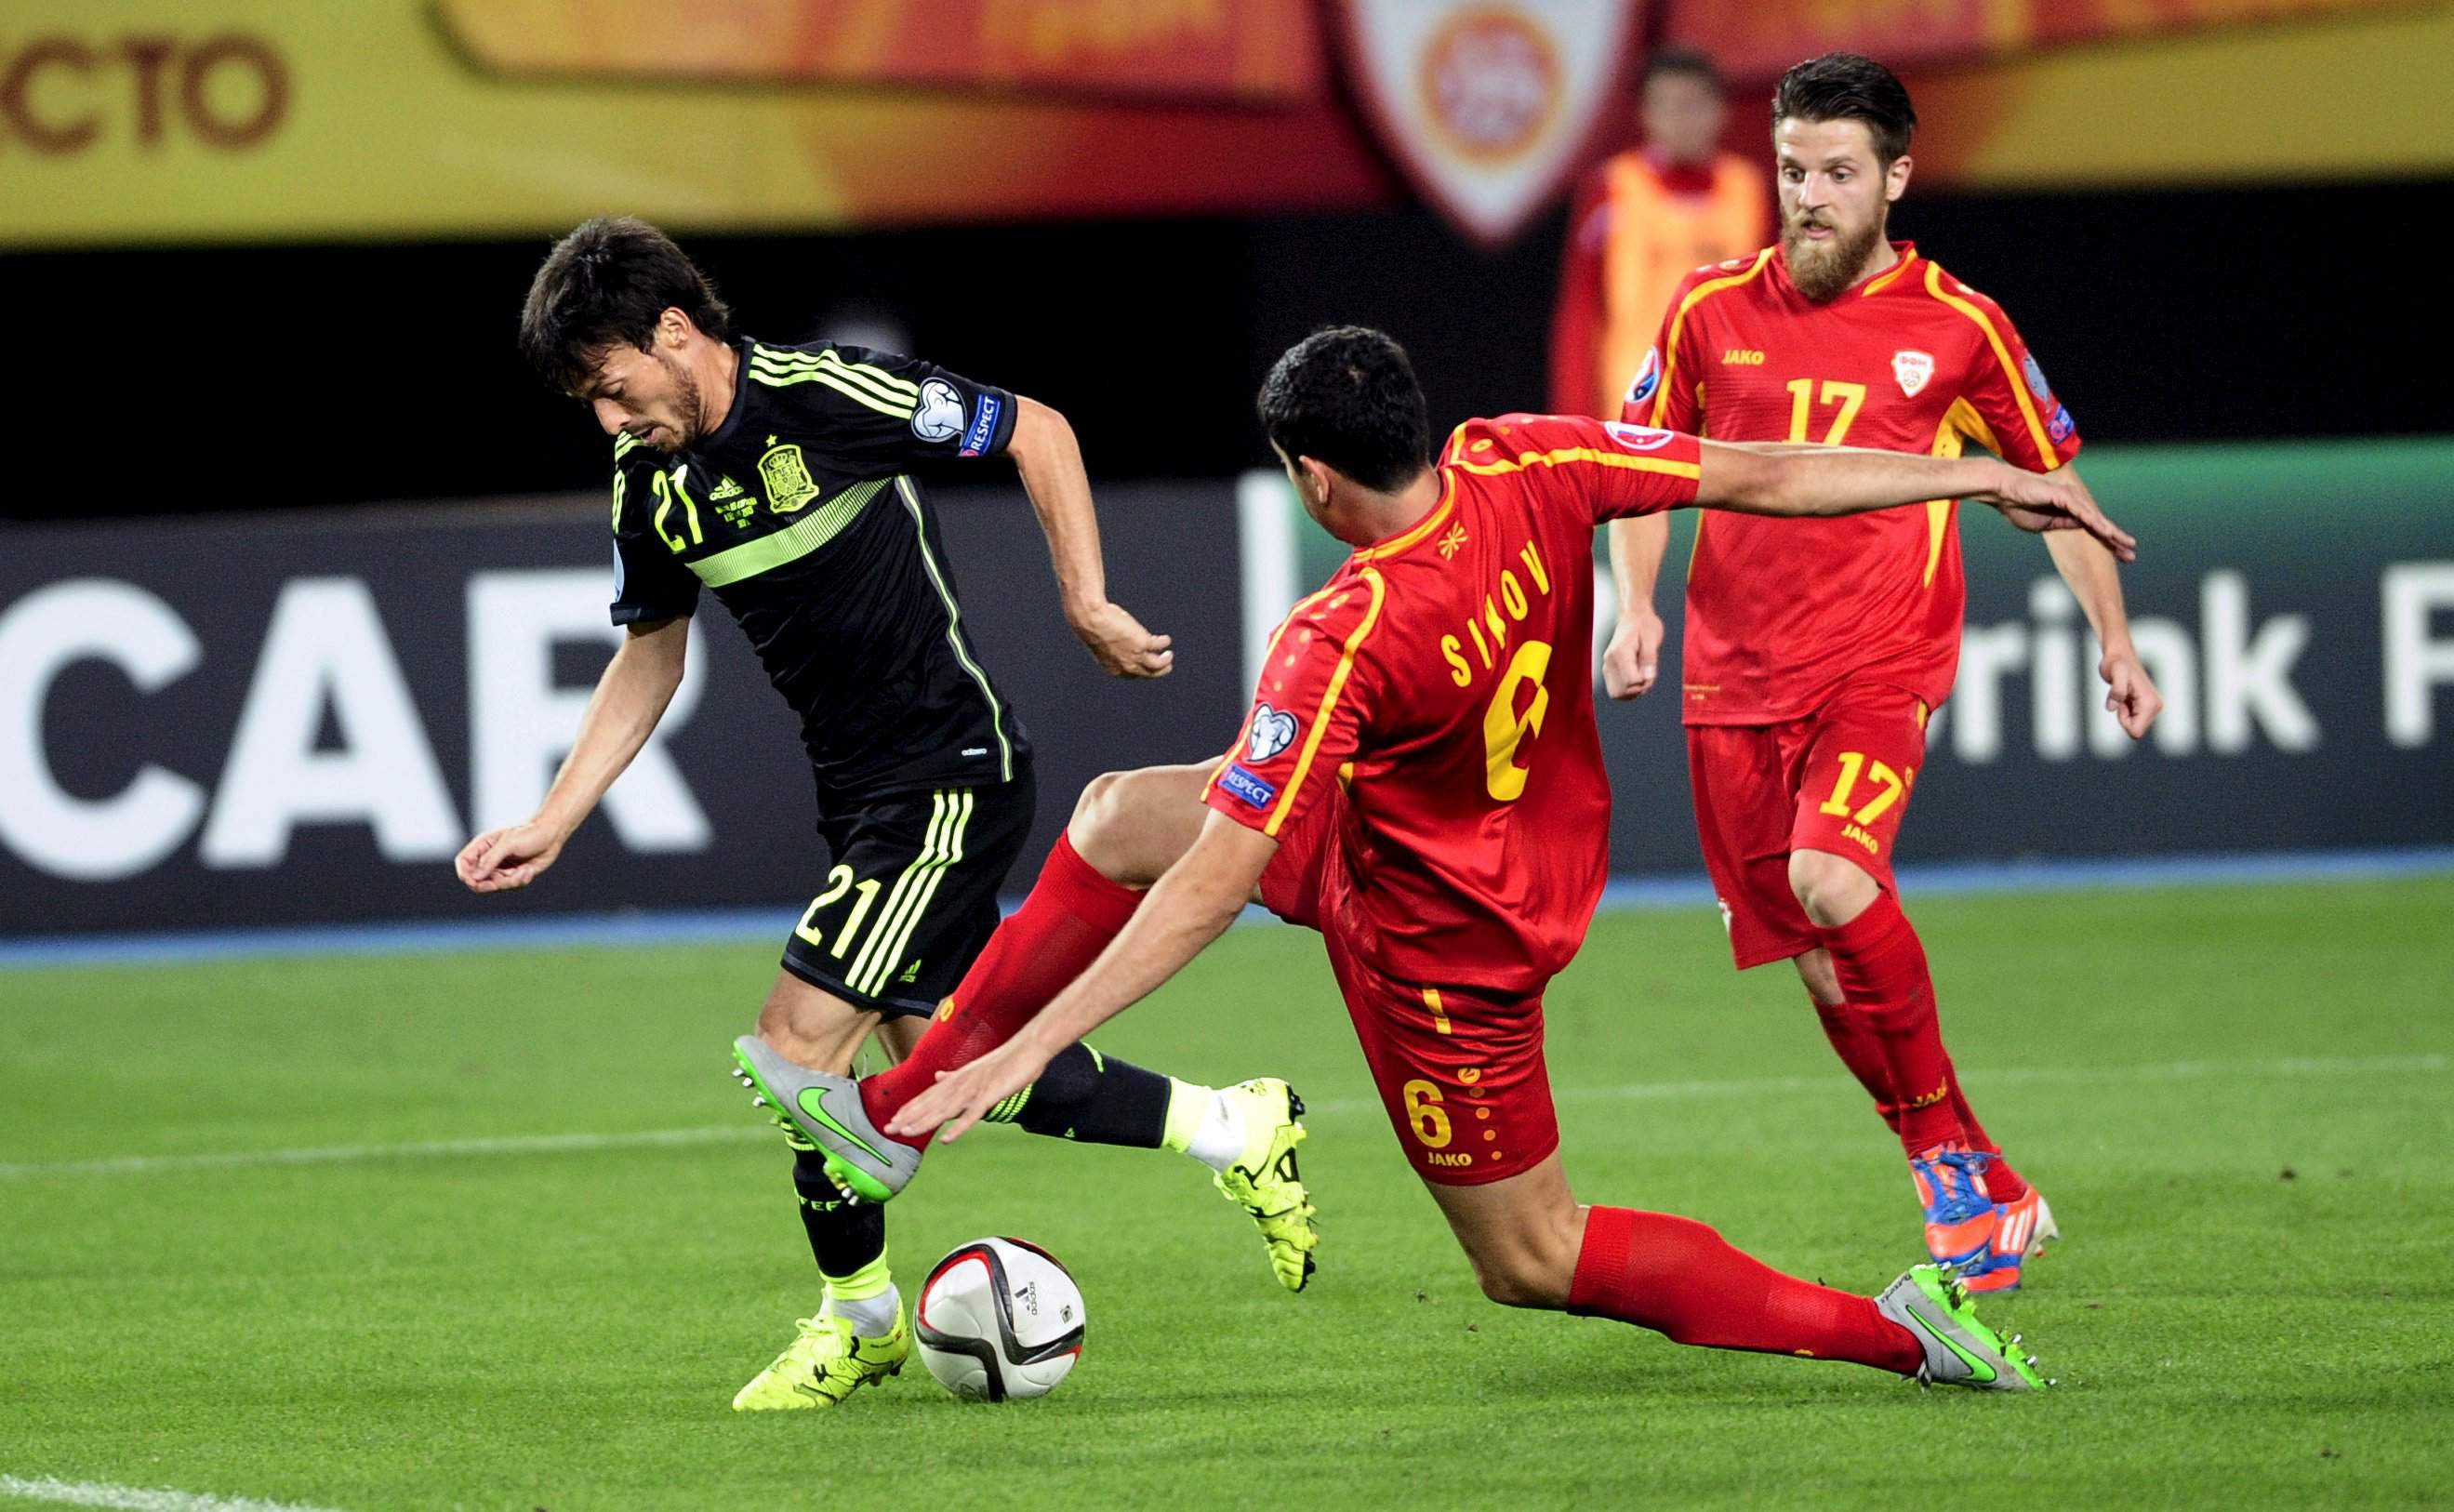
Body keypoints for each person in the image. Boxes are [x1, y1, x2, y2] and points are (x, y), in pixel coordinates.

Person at [737, 325, 2136, 1390]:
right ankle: (898, 1116)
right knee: (1112, 814)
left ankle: (1902, 1335)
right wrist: (1982, 470)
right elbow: (1761, 471)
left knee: (1531, 1257)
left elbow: (1216, 886)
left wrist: (1015, 1053)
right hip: (1433, 831)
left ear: (1311, 475)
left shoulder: (1339, 629)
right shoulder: (1525, 456)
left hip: (1444, 947)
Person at [459, 217, 1319, 1412]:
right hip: (859, 799)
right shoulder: (648, 483)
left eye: (614, 390)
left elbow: (1038, 429)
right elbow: (650, 656)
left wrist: (1086, 601)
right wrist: (557, 816)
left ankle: (854, 1320)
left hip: (947, 777)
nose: (611, 421)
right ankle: (1233, 1126)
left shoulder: (823, 397)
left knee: (797, 1046)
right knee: (945, 1063)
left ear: (673, 334)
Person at [1601, 53, 2165, 1292]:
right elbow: (1641, 470)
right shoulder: (1705, 311)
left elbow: (2049, 494)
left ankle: (1949, 1180)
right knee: (1811, 952)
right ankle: (1963, 1155)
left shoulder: (1957, 327)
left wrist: (2111, 638)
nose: (1808, 194)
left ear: (1894, 180)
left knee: (1828, 874)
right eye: (1792, 169)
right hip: (1726, 683)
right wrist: (1632, 602)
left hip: (1875, 661)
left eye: (1837, 173)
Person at [1549, 47, 1770, 419]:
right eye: (1668, 106)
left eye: (1694, 104)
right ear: (1645, 113)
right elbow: (1580, 310)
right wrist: (1573, 417)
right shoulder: (1613, 188)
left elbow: (1771, 306)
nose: (1682, 119)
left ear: (1721, 110)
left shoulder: (1749, 189)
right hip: (1633, 405)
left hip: (1727, 402)